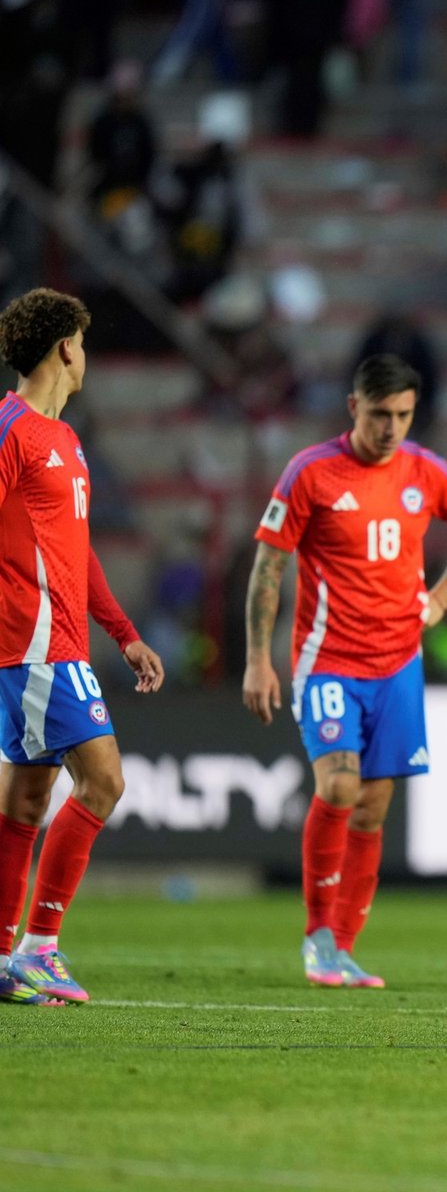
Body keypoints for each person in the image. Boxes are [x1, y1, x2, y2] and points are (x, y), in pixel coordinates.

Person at [243, 354, 447, 990]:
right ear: (353, 406)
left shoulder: (424, 469)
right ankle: (317, 935)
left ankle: (344, 947)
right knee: (338, 788)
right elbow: (268, 569)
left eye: (404, 415)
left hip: (399, 662)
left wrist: (440, 598)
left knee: (374, 805)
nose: (392, 427)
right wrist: (256, 659)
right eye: (381, 413)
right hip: (328, 660)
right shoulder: (311, 472)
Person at [0, 288, 164, 1006]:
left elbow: (77, 553)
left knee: (28, 799)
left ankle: (6, 955)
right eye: (84, 344)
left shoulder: (63, 440)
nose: (86, 356)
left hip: (58, 642)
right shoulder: (11, 429)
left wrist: (124, 634)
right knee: (104, 783)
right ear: (67, 347)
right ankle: (40, 946)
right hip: (33, 643)